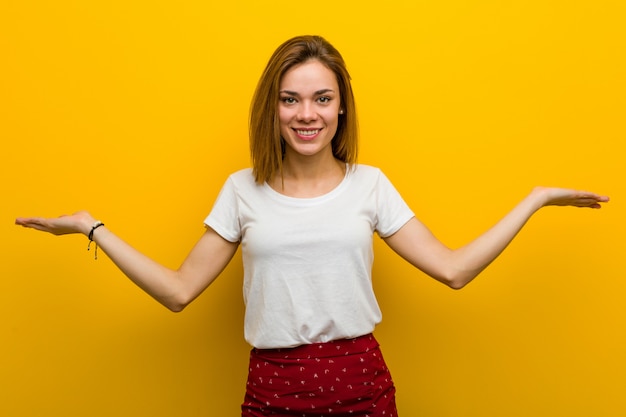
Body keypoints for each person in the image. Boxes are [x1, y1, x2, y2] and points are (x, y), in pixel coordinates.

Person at [15, 35, 609, 417]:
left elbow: (453, 271)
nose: (307, 115)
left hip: (362, 385)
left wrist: (535, 201)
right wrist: (92, 228)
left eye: (322, 98)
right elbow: (177, 292)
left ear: (341, 105)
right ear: (271, 108)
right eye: (291, 100)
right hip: (272, 390)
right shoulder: (240, 191)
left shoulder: (369, 185)